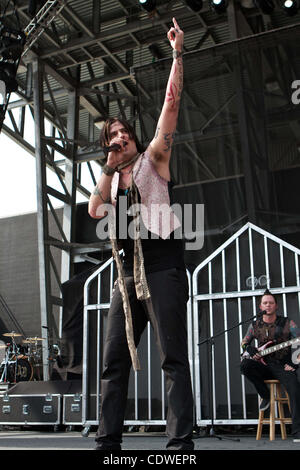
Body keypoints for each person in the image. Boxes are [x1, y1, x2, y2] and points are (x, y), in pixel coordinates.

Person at [88, 18, 194, 451]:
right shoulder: (111, 179)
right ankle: (108, 440)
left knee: (172, 357)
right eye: (112, 136)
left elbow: (171, 104)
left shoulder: (154, 158)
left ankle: (179, 443)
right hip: (125, 274)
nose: (119, 139)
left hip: (163, 266)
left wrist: (177, 54)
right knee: (114, 360)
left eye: (123, 134)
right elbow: (95, 210)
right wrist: (107, 169)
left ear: (134, 138)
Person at [240, 289, 300, 442]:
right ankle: (265, 395)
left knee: (295, 389)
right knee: (245, 365)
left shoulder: (287, 323)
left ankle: (297, 432)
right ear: (260, 307)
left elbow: (298, 343)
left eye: (271, 303)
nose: (268, 305)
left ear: (276, 306)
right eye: (265, 303)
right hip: (264, 366)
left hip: (283, 366)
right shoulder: (254, 325)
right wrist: (249, 348)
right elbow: (244, 342)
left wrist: (294, 363)